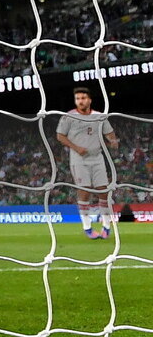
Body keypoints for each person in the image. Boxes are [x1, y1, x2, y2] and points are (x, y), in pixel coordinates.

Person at [56, 86, 120, 239]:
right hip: (79, 159)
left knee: (103, 191)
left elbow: (109, 133)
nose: (80, 101)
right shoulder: (68, 116)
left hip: (97, 157)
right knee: (84, 191)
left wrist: (112, 141)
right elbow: (60, 136)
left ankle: (106, 226)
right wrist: (76, 147)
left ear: (89, 100)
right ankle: (88, 228)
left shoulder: (99, 116)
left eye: (83, 98)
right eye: (77, 99)